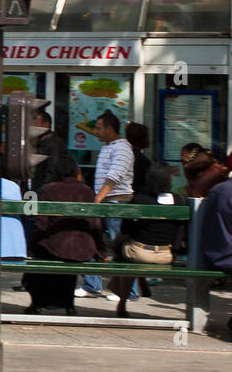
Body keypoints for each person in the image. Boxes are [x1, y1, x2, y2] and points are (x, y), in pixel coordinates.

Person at [24, 156, 103, 315]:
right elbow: (95, 223)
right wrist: (101, 251)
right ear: (76, 171)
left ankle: (37, 303)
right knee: (68, 254)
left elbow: (41, 223)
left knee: (45, 254)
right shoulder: (87, 191)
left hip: (56, 246)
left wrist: (31, 246)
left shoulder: (48, 189)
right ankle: (68, 305)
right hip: (82, 248)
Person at [78, 110, 133, 297]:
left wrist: (98, 197)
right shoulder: (107, 146)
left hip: (116, 201)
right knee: (93, 240)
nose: (97, 132)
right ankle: (92, 285)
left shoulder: (123, 148)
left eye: (100, 128)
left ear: (110, 129)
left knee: (120, 245)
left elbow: (114, 176)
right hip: (105, 201)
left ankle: (127, 290)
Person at [111, 164, 178, 317]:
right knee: (129, 252)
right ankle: (142, 281)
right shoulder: (179, 200)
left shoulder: (140, 199)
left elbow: (124, 229)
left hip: (139, 253)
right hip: (165, 256)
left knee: (122, 248)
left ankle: (122, 302)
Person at [30, 109, 68, 194]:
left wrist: (43, 190)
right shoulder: (38, 143)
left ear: (46, 125)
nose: (34, 127)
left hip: (47, 192)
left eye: (36, 124)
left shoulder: (55, 144)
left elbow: (53, 170)